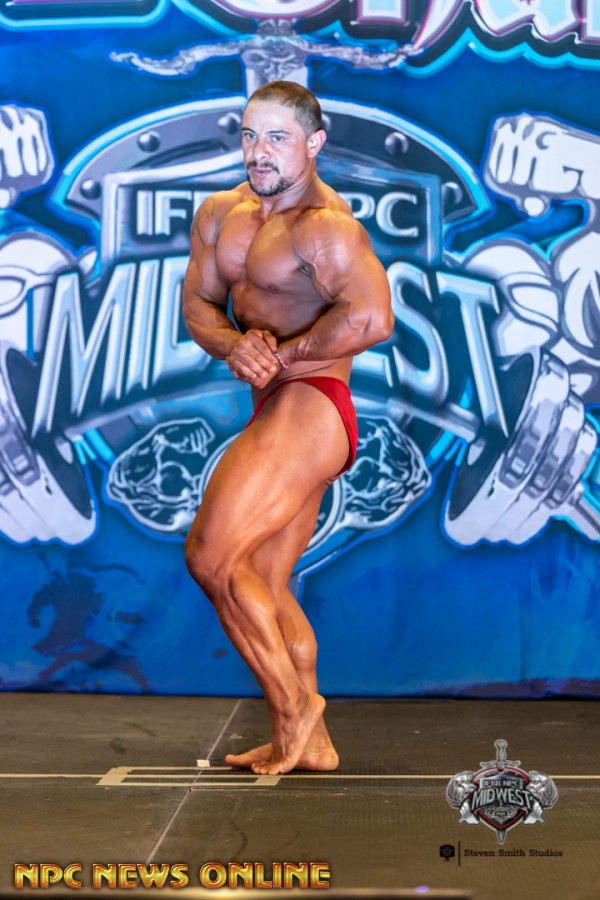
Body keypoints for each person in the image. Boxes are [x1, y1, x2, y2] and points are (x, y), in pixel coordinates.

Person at [182, 80, 393, 776]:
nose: (259, 151)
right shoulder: (220, 214)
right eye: (250, 135)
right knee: (264, 583)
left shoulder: (326, 226)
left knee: (211, 557)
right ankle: (316, 746)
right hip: (273, 401)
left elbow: (371, 317)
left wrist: (287, 354)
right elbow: (199, 305)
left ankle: (295, 710)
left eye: (277, 137)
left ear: (314, 143)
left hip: (314, 401)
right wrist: (233, 345)